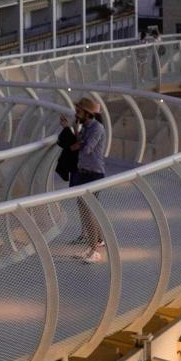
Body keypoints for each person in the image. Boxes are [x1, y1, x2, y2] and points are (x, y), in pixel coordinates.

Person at [68, 97, 109, 262]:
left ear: (87, 113)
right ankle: (93, 245)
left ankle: (94, 251)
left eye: (79, 111)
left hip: (93, 174)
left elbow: (87, 149)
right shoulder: (85, 127)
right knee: (85, 209)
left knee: (88, 211)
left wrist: (76, 144)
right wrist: (75, 130)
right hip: (83, 172)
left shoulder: (96, 128)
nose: (76, 114)